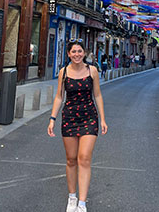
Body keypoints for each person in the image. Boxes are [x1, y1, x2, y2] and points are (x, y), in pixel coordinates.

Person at [48, 40, 108, 212]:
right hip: (69, 118)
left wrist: (102, 119)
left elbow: (97, 95)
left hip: (89, 117)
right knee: (71, 159)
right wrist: (52, 118)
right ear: (68, 54)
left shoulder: (92, 71)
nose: (77, 54)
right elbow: (59, 97)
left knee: (84, 158)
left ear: (84, 53)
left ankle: (82, 204)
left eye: (79, 51)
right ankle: (72, 197)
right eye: (73, 51)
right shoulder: (63, 72)